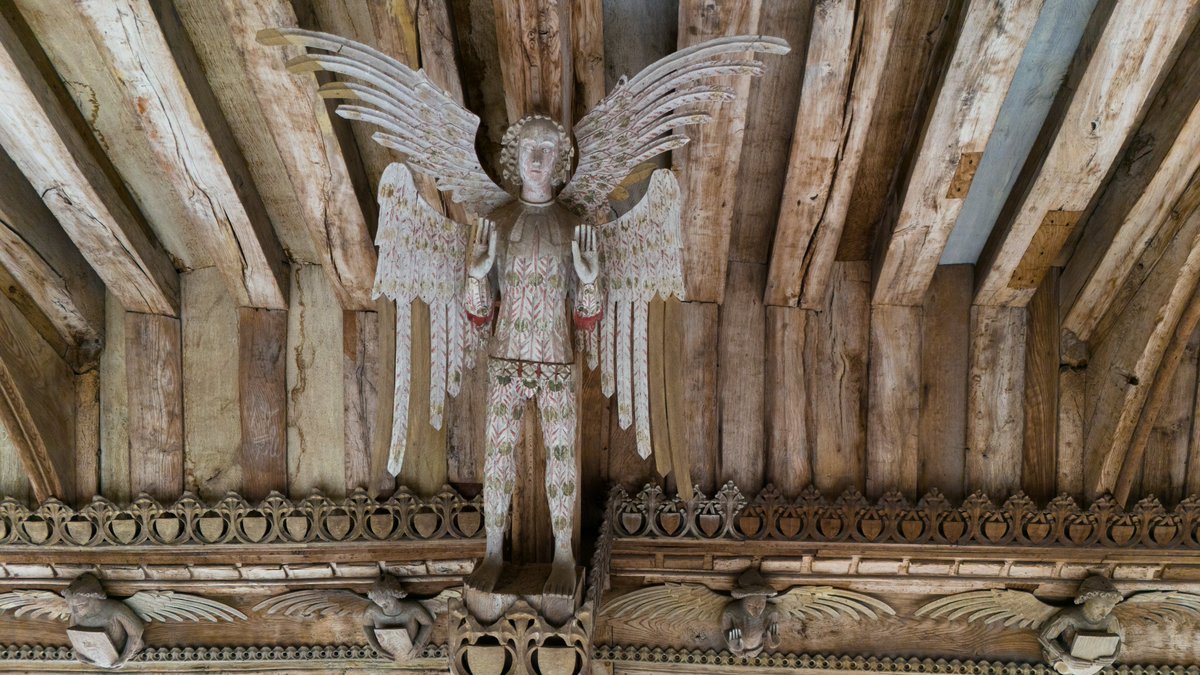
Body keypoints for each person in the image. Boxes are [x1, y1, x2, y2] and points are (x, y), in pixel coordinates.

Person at [463, 114, 602, 600]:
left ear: (561, 160)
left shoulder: (573, 226)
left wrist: (589, 281)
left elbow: (587, 317)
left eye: (547, 149)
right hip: (506, 358)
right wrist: (476, 275)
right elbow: (478, 314)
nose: (537, 158)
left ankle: (563, 554)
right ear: (513, 157)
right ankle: (493, 551)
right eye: (528, 148)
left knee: (561, 457)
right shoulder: (498, 223)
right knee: (498, 456)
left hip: (557, 360)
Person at [1038, 576, 1124, 675]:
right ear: (1085, 600)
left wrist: (1114, 656)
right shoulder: (1069, 617)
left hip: (1092, 664)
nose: (1103, 614)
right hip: (1066, 661)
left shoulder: (1110, 619)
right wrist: (1063, 655)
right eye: (1098, 607)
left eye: (1109, 608)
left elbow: (1118, 640)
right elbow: (1045, 637)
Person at [62, 574, 145, 668]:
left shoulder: (115, 609)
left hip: (123, 654)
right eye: (71, 605)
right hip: (98, 657)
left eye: (80, 605)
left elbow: (136, 631)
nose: (74, 610)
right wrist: (79, 653)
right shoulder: (75, 614)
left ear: (94, 598)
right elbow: (75, 635)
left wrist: (124, 657)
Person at [363, 575, 434, 660]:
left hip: (412, 650)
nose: (384, 607)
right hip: (390, 651)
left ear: (396, 595)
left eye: (387, 602)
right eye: (379, 603)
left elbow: (428, 623)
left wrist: (418, 644)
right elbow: (366, 625)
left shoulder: (412, 608)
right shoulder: (372, 611)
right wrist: (375, 647)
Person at [721, 569, 781, 657]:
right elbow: (725, 630)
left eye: (761, 606)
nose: (756, 612)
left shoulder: (771, 611)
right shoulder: (731, 611)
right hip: (738, 649)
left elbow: (771, 632)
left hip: (758, 648)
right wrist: (732, 643)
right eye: (751, 606)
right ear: (744, 600)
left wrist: (773, 641)